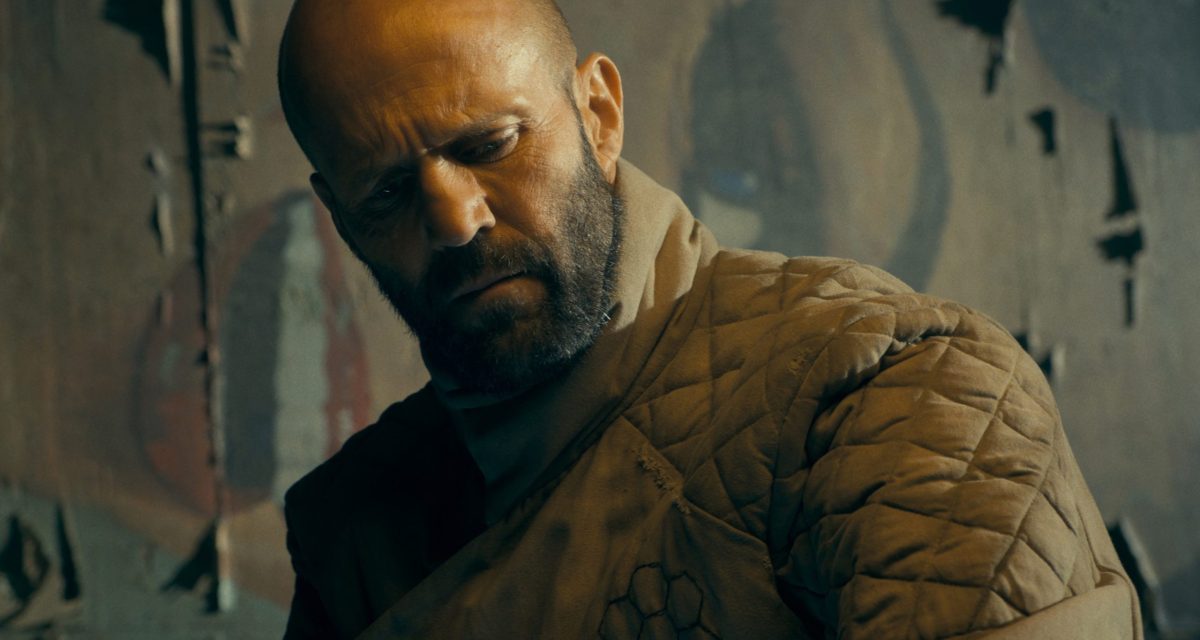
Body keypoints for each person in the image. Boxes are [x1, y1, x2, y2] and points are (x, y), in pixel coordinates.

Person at [275, 0, 1141, 637]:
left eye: (489, 146)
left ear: (599, 115)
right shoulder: (352, 530)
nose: (455, 221)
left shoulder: (897, 389)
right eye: (386, 191)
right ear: (342, 218)